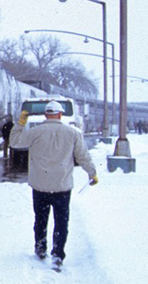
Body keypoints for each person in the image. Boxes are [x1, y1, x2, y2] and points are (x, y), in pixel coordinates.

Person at [9, 100, 98, 269]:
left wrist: (20, 124)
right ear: (60, 114)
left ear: (45, 115)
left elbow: (14, 142)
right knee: (61, 221)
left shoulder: (35, 132)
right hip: (62, 186)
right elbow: (83, 157)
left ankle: (40, 248)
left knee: (41, 219)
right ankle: (57, 254)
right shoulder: (73, 133)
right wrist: (92, 173)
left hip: (39, 185)